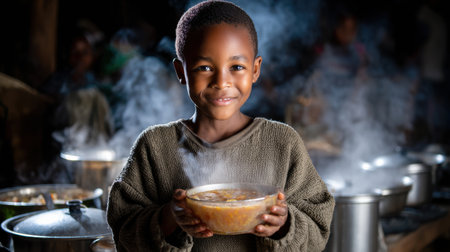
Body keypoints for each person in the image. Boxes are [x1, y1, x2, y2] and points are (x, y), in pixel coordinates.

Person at [106, 1, 335, 251]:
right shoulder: (155, 146)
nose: (221, 82)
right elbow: (123, 230)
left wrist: (285, 223)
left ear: (256, 69)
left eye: (236, 67)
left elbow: (318, 227)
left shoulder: (282, 142)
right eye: (204, 67)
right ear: (181, 71)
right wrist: (169, 218)